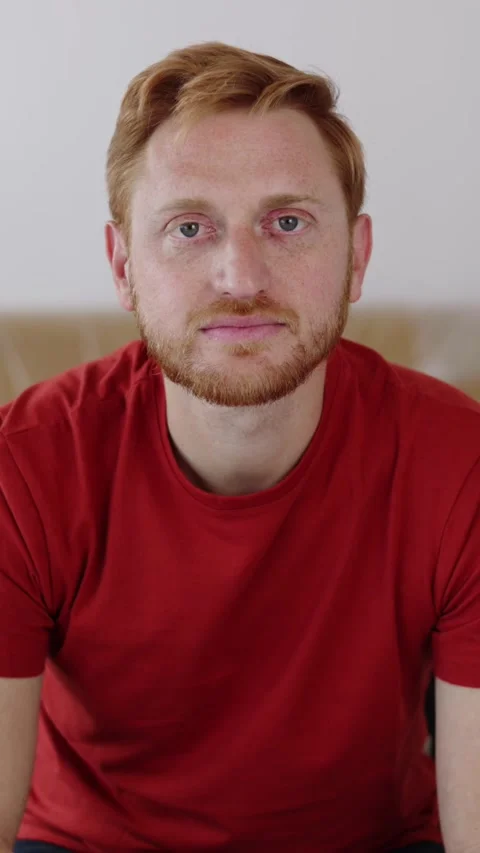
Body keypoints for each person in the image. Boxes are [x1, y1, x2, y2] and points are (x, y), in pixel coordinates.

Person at [1, 40, 479, 853]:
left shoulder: (460, 463)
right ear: (123, 266)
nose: (241, 276)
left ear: (357, 256)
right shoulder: (24, 468)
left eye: (287, 222)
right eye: (189, 227)